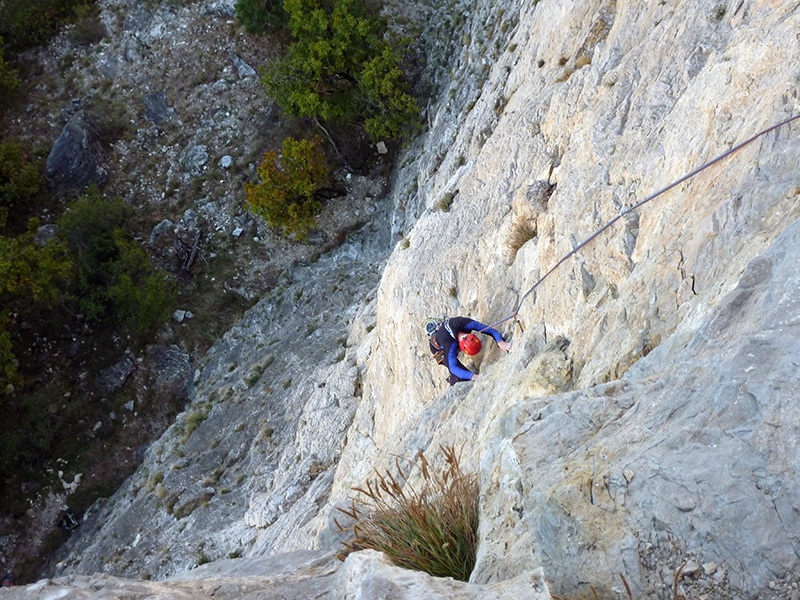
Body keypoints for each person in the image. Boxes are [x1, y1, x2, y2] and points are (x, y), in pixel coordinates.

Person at [427, 316, 511, 385]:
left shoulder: (464, 323)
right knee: (458, 376)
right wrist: (474, 377)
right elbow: (453, 368)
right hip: (437, 347)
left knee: (465, 375)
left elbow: (489, 330)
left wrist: (500, 342)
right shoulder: (450, 344)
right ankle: (452, 380)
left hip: (449, 329)